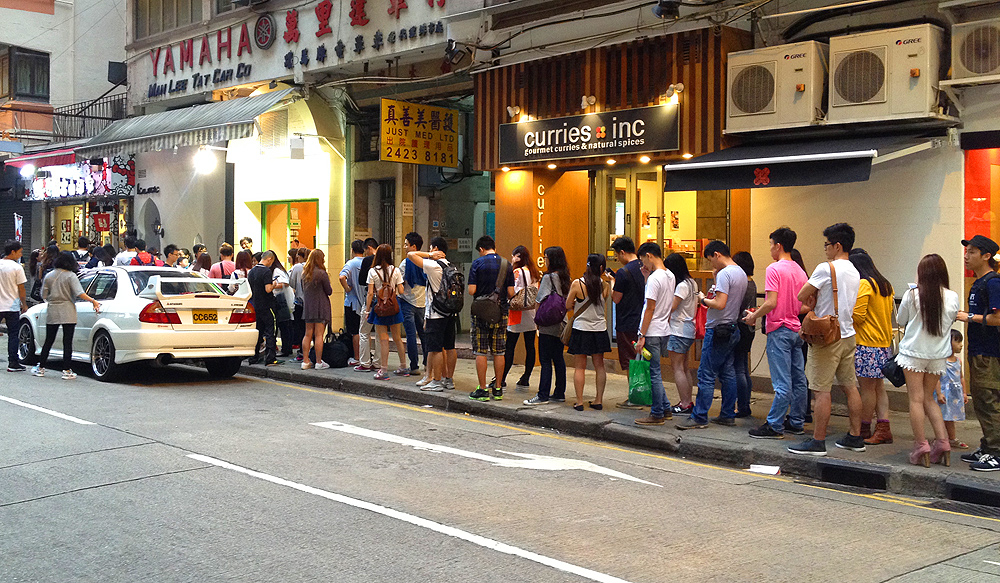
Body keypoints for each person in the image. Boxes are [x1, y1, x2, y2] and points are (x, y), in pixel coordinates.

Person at [787, 223, 865, 456]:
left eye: (827, 245)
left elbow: (801, 294)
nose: (825, 250)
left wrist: (813, 299)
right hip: (847, 333)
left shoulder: (826, 268)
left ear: (837, 245)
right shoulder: (854, 270)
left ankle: (818, 441)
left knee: (821, 389)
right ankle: (855, 436)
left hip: (826, 336)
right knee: (850, 387)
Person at [896, 254, 960, 467]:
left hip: (913, 353)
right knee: (929, 398)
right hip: (938, 355)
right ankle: (943, 442)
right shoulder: (952, 296)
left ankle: (921, 445)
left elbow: (900, 320)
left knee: (915, 399)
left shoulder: (913, 294)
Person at [746, 227, 808, 439]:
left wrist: (754, 315)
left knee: (782, 383)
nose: (770, 249)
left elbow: (771, 302)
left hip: (779, 330)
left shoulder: (774, 269)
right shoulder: (800, 271)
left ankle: (774, 425)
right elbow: (805, 305)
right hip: (796, 330)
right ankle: (797, 421)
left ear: (778, 245)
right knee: (799, 379)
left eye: (771, 244)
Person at [678, 241, 748, 430]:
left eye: (710, 260)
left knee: (706, 374)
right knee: (728, 372)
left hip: (718, 329)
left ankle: (700, 416)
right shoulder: (740, 272)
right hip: (732, 327)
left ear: (717, 254)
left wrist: (703, 299)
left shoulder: (726, 274)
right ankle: (727, 414)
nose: (711, 265)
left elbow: (720, 303)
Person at [957, 235, 1000, 471]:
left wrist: (969, 317)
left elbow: (998, 318)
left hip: (989, 353)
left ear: (986, 256)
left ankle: (997, 452)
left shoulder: (993, 283)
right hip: (978, 350)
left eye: (972, 252)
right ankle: (987, 446)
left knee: (990, 401)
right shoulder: (978, 283)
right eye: (966, 251)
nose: (966, 256)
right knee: (982, 402)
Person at [849, 248, 896, 445]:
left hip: (867, 343)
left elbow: (858, 316)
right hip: (884, 344)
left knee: (866, 390)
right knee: (879, 389)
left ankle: (864, 428)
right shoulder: (885, 284)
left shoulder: (864, 284)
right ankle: (883, 428)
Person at [31, 252, 101, 379]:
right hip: (68, 309)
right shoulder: (71, 276)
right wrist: (93, 301)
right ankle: (67, 370)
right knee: (67, 341)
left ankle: (41, 367)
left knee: (49, 340)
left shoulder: (49, 276)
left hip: (53, 309)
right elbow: (80, 293)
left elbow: (44, 295)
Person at [633, 243, 676, 425]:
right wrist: (645, 278)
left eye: (643, 260)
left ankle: (657, 413)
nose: (644, 264)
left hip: (651, 331)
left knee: (654, 374)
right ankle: (665, 408)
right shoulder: (670, 275)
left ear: (649, 255)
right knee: (656, 371)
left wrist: (641, 334)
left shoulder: (655, 278)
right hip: (663, 329)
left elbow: (650, 308)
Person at [407, 237, 459, 392]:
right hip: (450, 312)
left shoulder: (433, 265)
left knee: (435, 348)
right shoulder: (451, 265)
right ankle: (448, 379)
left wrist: (430, 256)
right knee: (450, 347)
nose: (429, 251)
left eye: (430, 248)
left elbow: (411, 255)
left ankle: (436, 381)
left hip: (436, 313)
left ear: (435, 248)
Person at [468, 235, 515, 402]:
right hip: (500, 312)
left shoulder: (477, 264)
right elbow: (511, 293)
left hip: (481, 312)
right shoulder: (506, 265)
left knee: (480, 350)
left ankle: (482, 389)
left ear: (481, 249)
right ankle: (497, 389)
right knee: (499, 351)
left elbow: (472, 290)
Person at [523, 246, 570, 405]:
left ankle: (543, 394)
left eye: (546, 257)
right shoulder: (565, 277)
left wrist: (537, 320)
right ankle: (559, 392)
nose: (545, 260)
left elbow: (539, 300)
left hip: (548, 323)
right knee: (558, 358)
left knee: (545, 359)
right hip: (561, 322)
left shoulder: (549, 277)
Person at [566, 253, 612, 411]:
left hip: (581, 329)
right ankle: (598, 400)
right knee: (600, 365)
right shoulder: (605, 286)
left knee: (580, 366)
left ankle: (579, 402)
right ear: (601, 268)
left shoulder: (577, 284)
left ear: (587, 266)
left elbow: (567, 305)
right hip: (599, 329)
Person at [611, 237, 647, 409]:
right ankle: (644, 394)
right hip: (644, 320)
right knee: (642, 359)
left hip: (627, 321)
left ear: (623, 252)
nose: (618, 258)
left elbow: (616, 298)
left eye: (617, 255)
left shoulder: (623, 273)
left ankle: (635, 397)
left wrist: (612, 283)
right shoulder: (645, 267)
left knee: (630, 361)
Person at [365, 244, 408, 380]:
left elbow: (370, 293)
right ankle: (403, 366)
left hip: (380, 308)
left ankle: (383, 370)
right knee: (397, 337)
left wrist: (367, 310)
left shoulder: (372, 271)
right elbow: (401, 291)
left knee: (383, 338)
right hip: (394, 307)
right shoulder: (395, 271)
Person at [499, 245, 539, 391]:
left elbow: (512, 292)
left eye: (513, 256)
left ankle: (501, 378)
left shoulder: (516, 271)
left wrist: (511, 266)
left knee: (510, 346)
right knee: (530, 346)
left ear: (518, 257)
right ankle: (526, 377)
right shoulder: (534, 271)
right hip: (531, 312)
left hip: (517, 313)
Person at [663, 252, 699, 415]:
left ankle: (684, 403)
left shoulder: (682, 286)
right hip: (689, 329)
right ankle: (687, 401)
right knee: (684, 367)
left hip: (678, 329)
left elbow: (671, 307)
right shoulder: (692, 283)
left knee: (677, 367)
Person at [732, 251, 757, 418]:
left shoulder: (741, 284)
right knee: (744, 368)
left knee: (738, 369)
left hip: (740, 326)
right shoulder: (752, 282)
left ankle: (742, 406)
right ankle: (745, 404)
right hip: (749, 328)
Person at [936, 330, 969, 450]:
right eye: (958, 341)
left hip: (954, 394)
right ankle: (943, 438)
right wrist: (939, 393)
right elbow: (936, 379)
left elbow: (961, 377)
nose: (961, 345)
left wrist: (964, 393)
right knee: (941, 416)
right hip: (944, 394)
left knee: (950, 417)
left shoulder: (958, 361)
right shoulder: (941, 361)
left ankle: (950, 438)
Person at [400, 232, 427, 378]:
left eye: (406, 244)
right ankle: (427, 362)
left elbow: (400, 282)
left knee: (411, 335)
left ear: (413, 246)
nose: (404, 247)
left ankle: (414, 366)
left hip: (408, 301)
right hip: (423, 303)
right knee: (423, 335)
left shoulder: (406, 263)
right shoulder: (426, 262)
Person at [301, 248, 333, 370]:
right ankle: (319, 362)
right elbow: (329, 291)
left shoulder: (304, 273)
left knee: (307, 334)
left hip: (308, 307)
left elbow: (303, 289)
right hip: (320, 306)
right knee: (319, 335)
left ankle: (305, 361)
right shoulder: (321, 273)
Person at [247, 250, 281, 366]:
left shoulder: (251, 272)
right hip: (267, 306)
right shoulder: (266, 271)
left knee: (258, 332)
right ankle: (270, 358)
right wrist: (274, 284)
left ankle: (254, 357)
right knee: (271, 331)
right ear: (269, 259)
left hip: (256, 305)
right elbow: (268, 289)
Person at [1, 240, 29, 372]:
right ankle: (13, 362)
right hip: (12, 306)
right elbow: (21, 288)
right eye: (20, 252)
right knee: (13, 334)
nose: (20, 255)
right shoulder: (17, 267)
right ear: (13, 252)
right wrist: (24, 304)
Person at [354, 238, 381, 372]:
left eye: (365, 250)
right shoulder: (389, 264)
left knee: (364, 332)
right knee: (380, 333)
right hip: (384, 302)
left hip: (371, 300)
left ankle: (365, 362)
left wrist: (367, 309)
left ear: (369, 248)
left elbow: (361, 281)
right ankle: (378, 362)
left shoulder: (368, 261)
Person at [339, 240, 366, 366]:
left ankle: (356, 357)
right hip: (365, 301)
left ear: (352, 250)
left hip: (352, 302)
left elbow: (341, 276)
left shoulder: (351, 263)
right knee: (364, 332)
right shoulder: (367, 262)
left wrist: (347, 288)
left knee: (355, 331)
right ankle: (365, 356)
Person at [271, 256, 295, 357]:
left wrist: (272, 286)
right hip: (284, 300)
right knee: (286, 325)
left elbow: (285, 283)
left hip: (282, 301)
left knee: (284, 325)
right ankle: (287, 348)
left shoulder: (277, 271)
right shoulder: (278, 270)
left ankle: (286, 349)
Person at [289, 247, 309, 362]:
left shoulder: (297, 267)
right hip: (311, 303)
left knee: (300, 329)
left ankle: (301, 353)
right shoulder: (313, 267)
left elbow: (291, 282)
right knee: (310, 329)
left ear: (299, 256)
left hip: (299, 302)